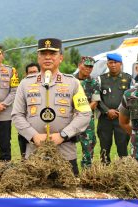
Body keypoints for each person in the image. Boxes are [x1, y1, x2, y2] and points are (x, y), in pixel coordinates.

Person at [11, 38, 91, 175]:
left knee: (68, 194)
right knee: (33, 194)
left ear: (60, 58)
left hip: (65, 153)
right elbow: (17, 115)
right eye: (43, 53)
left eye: (52, 54)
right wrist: (33, 136)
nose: (47, 57)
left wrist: (63, 135)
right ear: (38, 57)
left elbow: (85, 114)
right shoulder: (25, 84)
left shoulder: (73, 83)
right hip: (34, 153)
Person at [97, 53, 133, 164]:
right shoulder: (101, 79)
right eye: (110, 62)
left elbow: (131, 97)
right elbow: (97, 98)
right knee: (104, 147)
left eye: (115, 62)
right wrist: (107, 111)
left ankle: (123, 172)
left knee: (122, 147)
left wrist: (119, 111)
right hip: (105, 118)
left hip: (122, 119)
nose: (113, 65)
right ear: (107, 64)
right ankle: (104, 172)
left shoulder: (128, 79)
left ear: (120, 64)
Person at [74, 56, 100, 168]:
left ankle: (87, 172)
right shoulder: (70, 81)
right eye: (86, 66)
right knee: (66, 145)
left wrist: (82, 113)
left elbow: (95, 101)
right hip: (70, 118)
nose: (88, 69)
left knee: (88, 146)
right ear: (79, 65)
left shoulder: (94, 82)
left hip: (87, 120)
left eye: (91, 67)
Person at [17, 62, 40, 159]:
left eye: (35, 72)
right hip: (26, 128)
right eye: (30, 72)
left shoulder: (47, 86)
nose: (33, 74)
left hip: (41, 128)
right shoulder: (22, 87)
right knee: (26, 158)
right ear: (26, 74)